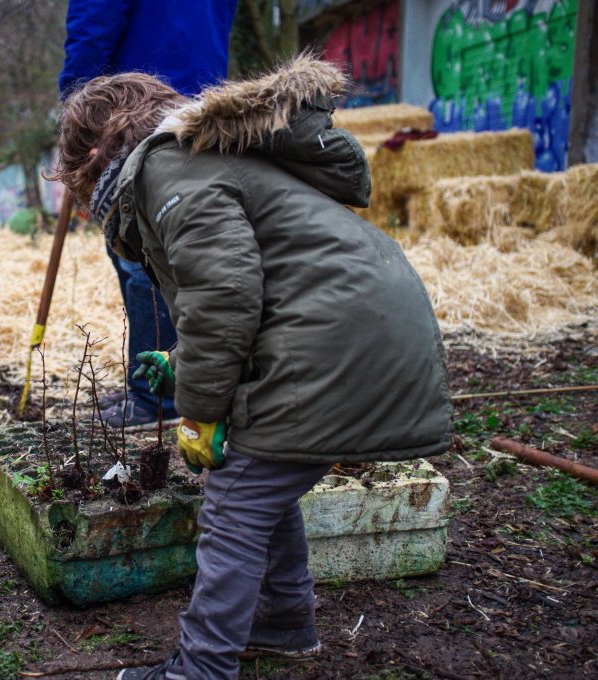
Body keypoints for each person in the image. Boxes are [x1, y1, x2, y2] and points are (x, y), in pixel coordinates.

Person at [53, 54, 454, 680]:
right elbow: (261, 291)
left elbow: (226, 296)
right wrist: (182, 363)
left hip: (334, 344)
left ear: (93, 162)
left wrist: (200, 410)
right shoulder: (200, 164)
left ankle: (201, 667)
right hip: (356, 332)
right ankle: (285, 623)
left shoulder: (165, 170)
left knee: (234, 506)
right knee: (262, 478)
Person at [59, 0, 238, 431]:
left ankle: (157, 396)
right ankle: (160, 378)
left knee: (137, 250)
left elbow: (92, 24)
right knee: (171, 242)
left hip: (128, 107)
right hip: (201, 95)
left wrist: (73, 111)